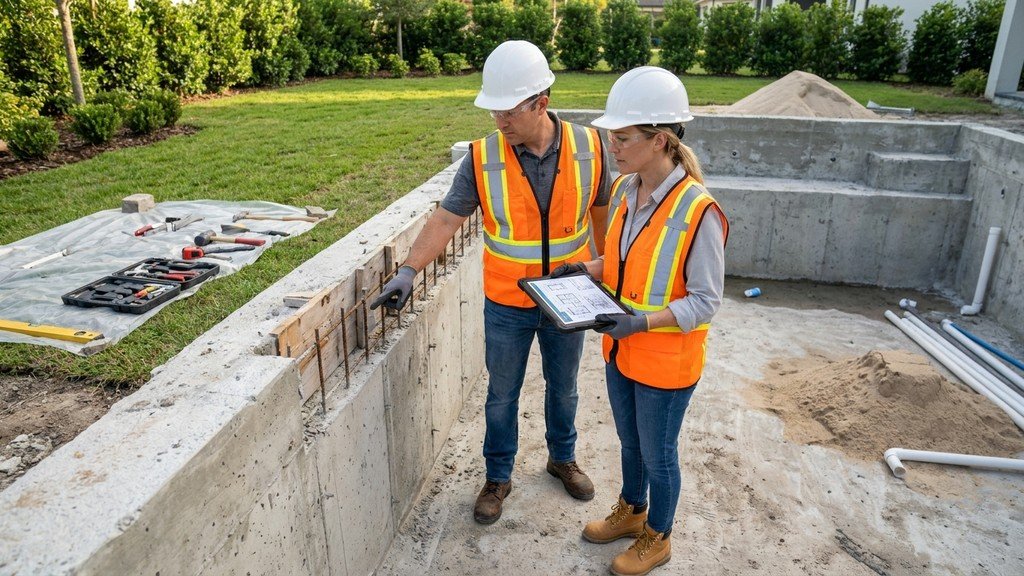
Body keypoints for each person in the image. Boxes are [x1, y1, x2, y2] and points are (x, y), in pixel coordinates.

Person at [370, 40, 611, 525]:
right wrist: (408, 270)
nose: (498, 121)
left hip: (569, 297)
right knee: (502, 393)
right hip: (508, 302)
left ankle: (561, 457)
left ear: (540, 103)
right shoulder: (482, 158)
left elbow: (602, 214)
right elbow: (445, 219)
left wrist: (608, 274)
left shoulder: (590, 146)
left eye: (507, 111)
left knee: (563, 387)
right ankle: (497, 476)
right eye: (494, 111)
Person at [552, 67, 728, 576]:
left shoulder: (700, 211)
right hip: (622, 351)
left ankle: (659, 536)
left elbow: (706, 301)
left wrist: (641, 323)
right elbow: (626, 262)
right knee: (630, 443)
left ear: (661, 140)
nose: (613, 144)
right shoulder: (629, 190)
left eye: (623, 136)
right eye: (613, 134)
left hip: (666, 363)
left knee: (659, 455)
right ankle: (632, 512)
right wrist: (583, 269)